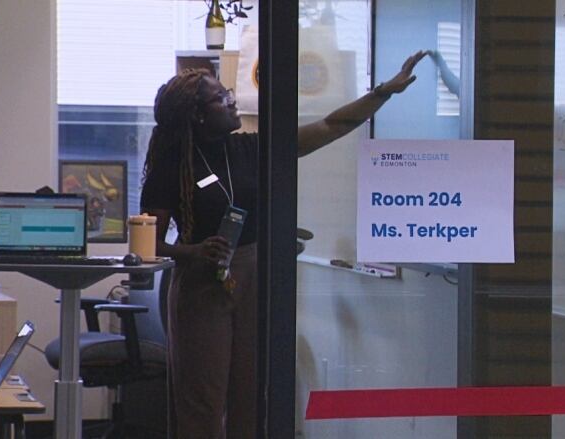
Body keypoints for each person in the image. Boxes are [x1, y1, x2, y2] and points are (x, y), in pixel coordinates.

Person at [140, 50, 428, 438]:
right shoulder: (172, 164)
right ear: (198, 115)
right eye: (220, 97)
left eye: (228, 90)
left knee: (250, 396)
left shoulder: (248, 148)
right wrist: (191, 251)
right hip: (200, 283)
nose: (231, 98)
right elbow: (147, 242)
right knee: (203, 403)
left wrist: (382, 93)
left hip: (254, 276)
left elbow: (328, 126)